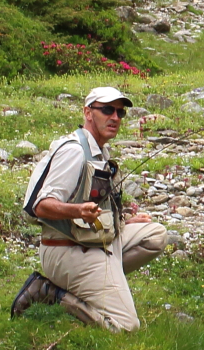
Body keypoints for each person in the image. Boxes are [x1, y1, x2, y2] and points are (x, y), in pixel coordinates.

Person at [11, 87, 169, 330]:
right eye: (107, 110)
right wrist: (77, 211)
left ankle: (99, 283)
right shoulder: (74, 151)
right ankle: (51, 293)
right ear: (87, 112)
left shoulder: (99, 151)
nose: (115, 117)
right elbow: (40, 206)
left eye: (120, 112)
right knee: (127, 326)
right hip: (65, 249)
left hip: (94, 240)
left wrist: (123, 222)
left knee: (155, 235)